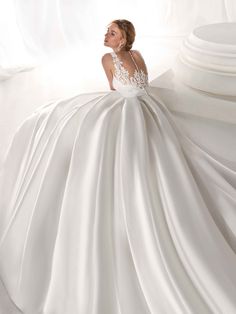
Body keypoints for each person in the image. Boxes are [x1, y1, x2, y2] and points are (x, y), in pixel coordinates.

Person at [0, 19, 236, 314]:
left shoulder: (137, 56)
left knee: (171, 155)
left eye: (112, 32)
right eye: (107, 32)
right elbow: (113, 88)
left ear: (124, 39)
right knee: (115, 148)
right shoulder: (107, 59)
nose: (106, 36)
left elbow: (144, 83)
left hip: (148, 109)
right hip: (123, 110)